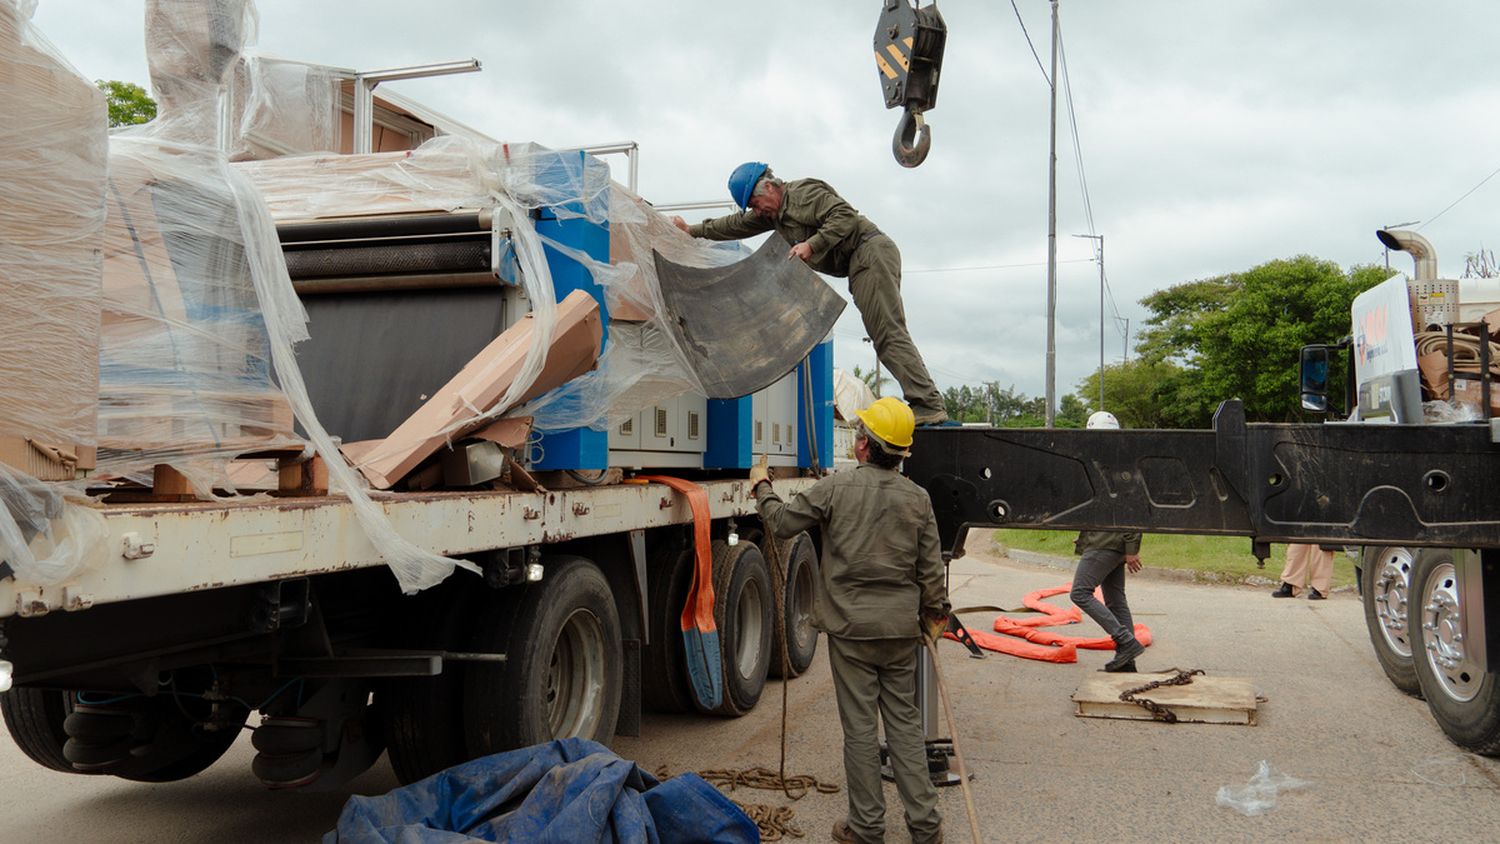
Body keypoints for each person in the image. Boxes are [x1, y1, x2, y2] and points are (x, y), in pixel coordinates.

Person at [749, 396, 949, 844]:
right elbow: (931, 570)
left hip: (850, 630)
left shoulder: (836, 488)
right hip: (900, 630)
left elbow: (780, 523)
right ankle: (926, 825)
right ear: (900, 452)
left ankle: (866, 827)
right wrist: (936, 614)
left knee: (860, 729)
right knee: (904, 724)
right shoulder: (918, 499)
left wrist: (761, 485)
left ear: (863, 446)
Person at [671, 162, 949, 425]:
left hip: (869, 251)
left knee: (887, 332)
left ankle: (927, 404)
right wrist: (692, 231)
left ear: (768, 187)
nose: (756, 212)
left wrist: (811, 245)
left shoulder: (802, 194)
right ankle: (925, 401)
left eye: (755, 204)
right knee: (885, 333)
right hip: (860, 261)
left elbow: (845, 216)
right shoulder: (775, 214)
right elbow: (734, 225)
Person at [1070, 411, 1147, 673]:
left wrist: (1131, 548)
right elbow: (1098, 508)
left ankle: (1126, 642)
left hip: (1108, 543)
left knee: (1080, 592)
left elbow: (1133, 510)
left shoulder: (1118, 468)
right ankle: (1127, 662)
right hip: (1105, 541)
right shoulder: (1105, 463)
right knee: (1116, 601)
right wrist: (1083, 537)